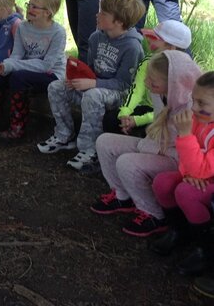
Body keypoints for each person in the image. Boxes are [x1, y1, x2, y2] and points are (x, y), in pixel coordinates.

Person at [90, 51, 201, 237]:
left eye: (153, 80)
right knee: (104, 142)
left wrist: (147, 145)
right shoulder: (160, 93)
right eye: (148, 77)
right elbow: (157, 129)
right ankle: (122, 196)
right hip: (155, 146)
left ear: (173, 83)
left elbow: (181, 148)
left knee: (127, 163)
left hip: (176, 159)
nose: (147, 82)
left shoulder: (191, 107)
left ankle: (155, 215)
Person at [37, 0, 145, 172]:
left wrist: (93, 84)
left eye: (103, 13)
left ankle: (90, 150)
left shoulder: (132, 46)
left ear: (118, 22)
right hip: (95, 88)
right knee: (57, 86)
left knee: (93, 96)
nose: (97, 15)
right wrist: (78, 78)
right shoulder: (96, 37)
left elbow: (124, 84)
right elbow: (91, 70)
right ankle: (64, 136)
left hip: (119, 94)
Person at [149, 71, 214, 275]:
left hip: (208, 180)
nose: (194, 108)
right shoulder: (199, 121)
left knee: (185, 193)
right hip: (196, 176)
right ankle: (179, 231)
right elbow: (185, 158)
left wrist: (185, 135)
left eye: (202, 103)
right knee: (162, 183)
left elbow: (203, 167)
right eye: (193, 100)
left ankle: (207, 250)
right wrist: (187, 174)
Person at [0, 0, 66, 139]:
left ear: (48, 12)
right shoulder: (23, 27)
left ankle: (18, 127)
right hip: (26, 70)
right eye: (29, 5)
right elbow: (16, 55)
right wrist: (6, 65)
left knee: (18, 77)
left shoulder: (58, 32)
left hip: (52, 74)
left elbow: (46, 65)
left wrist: (14, 65)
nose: (29, 9)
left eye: (35, 7)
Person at [102, 20, 192, 137]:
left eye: (156, 38)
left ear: (171, 47)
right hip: (149, 109)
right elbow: (137, 89)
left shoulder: (184, 71)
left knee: (148, 131)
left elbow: (169, 111)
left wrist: (138, 120)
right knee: (111, 119)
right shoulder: (148, 61)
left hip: (168, 118)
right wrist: (125, 113)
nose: (150, 40)